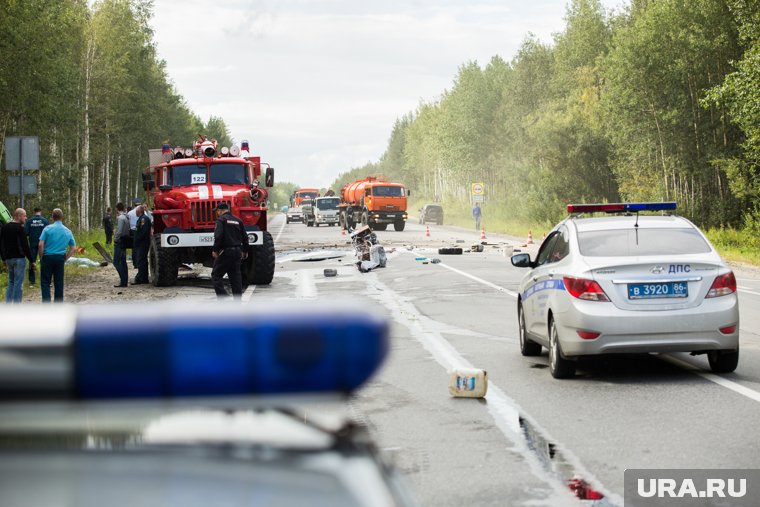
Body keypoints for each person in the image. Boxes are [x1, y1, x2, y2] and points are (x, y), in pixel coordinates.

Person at [211, 202, 249, 299]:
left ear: (220, 211)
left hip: (226, 252)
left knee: (216, 275)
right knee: (235, 277)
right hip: (237, 252)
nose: (217, 213)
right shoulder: (238, 220)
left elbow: (218, 236)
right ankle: (237, 301)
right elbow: (245, 237)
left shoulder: (221, 220)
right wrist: (245, 250)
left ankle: (223, 297)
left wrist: (215, 250)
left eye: (217, 211)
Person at [38, 208, 75, 303]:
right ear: (62, 217)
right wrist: (66, 258)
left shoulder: (47, 229)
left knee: (45, 282)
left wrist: (41, 256)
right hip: (60, 258)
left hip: (47, 257)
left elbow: (41, 244)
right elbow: (73, 247)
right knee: (59, 283)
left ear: (52, 217)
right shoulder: (68, 231)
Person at [1, 208, 35, 303]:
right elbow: (25, 246)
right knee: (18, 283)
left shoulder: (4, 227)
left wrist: (3, 258)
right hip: (19, 259)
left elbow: (1, 243)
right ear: (19, 216)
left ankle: (8, 305)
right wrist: (32, 260)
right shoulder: (20, 229)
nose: (26, 218)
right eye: (24, 215)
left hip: (8, 259)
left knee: (11, 282)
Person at [24, 207, 48, 286]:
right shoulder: (45, 221)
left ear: (34, 212)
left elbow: (26, 233)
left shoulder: (29, 221)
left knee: (32, 261)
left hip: (33, 244)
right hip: (43, 244)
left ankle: (32, 281)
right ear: (40, 212)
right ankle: (46, 280)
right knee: (44, 261)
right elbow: (48, 233)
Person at [112, 202, 130, 288]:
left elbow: (119, 231)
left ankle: (123, 280)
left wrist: (115, 239)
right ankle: (124, 280)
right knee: (123, 261)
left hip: (119, 241)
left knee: (116, 261)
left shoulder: (120, 218)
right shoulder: (126, 217)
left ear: (117, 208)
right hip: (125, 240)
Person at [132, 205, 152, 284]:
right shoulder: (141, 219)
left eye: (136, 211)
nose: (135, 213)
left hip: (143, 243)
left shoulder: (144, 219)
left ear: (139, 211)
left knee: (141, 260)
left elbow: (143, 232)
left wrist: (137, 239)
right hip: (141, 243)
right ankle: (143, 277)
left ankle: (141, 278)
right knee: (141, 260)